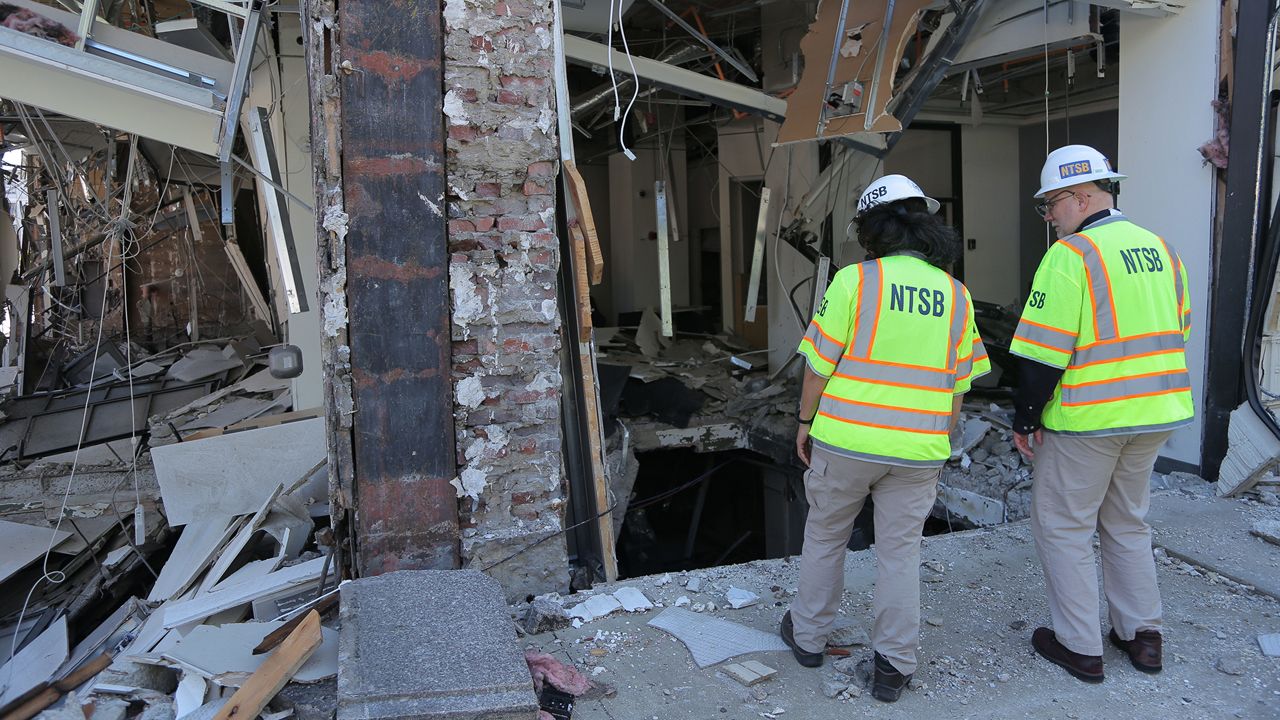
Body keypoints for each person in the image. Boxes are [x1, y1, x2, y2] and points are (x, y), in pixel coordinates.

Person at [782, 174, 990, 703]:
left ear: (871, 230)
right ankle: (892, 668)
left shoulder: (856, 281)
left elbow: (818, 368)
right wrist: (937, 441)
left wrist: (805, 423)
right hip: (918, 450)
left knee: (826, 535)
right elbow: (959, 386)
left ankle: (808, 639)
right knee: (900, 553)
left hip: (847, 443)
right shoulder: (956, 294)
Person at [1010, 145, 1193, 683]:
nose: (1050, 217)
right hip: (1156, 412)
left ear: (1082, 195)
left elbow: (1042, 353)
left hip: (1089, 419)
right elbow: (1179, 328)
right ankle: (1142, 636)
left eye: (1052, 205)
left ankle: (1080, 646)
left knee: (1064, 527)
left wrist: (1026, 418)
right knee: (1127, 522)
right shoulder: (1160, 247)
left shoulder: (1072, 256)